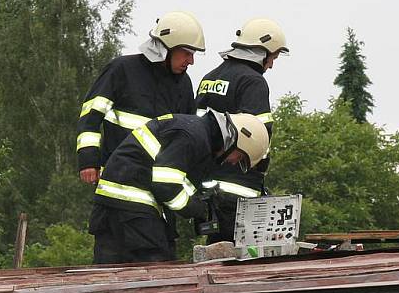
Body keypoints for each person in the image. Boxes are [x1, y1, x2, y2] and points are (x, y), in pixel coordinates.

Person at [76, 11, 205, 256]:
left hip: (156, 196)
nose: (191, 61)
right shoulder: (121, 69)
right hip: (117, 188)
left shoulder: (183, 84)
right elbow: (91, 116)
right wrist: (88, 161)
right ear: (166, 47)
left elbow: (187, 139)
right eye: (186, 53)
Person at [89, 111, 270, 264]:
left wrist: (205, 201)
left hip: (116, 208)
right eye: (239, 157)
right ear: (236, 141)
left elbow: (176, 181)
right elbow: (166, 186)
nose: (232, 162)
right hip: (132, 210)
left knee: (111, 277)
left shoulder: (197, 133)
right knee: (160, 273)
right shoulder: (192, 136)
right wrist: (196, 208)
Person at [194, 18, 287, 242]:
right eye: (272, 57)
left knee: (216, 253)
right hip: (240, 188)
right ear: (262, 51)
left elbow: (195, 129)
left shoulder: (209, 78)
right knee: (243, 261)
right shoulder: (253, 81)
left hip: (209, 187)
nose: (271, 65)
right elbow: (260, 135)